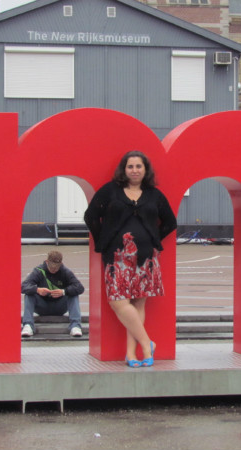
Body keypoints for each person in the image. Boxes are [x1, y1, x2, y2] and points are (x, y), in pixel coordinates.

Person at [84, 150, 177, 368]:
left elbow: (170, 222)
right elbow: (91, 216)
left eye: (138, 166)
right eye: (130, 166)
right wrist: (104, 240)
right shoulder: (110, 191)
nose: (134, 170)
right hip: (116, 257)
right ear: (124, 170)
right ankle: (147, 344)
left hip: (146, 258)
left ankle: (131, 354)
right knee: (118, 302)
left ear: (145, 170)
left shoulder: (154, 195)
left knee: (138, 303)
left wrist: (153, 239)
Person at [21, 250, 85, 338]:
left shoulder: (65, 272)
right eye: (51, 267)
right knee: (29, 294)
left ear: (61, 264)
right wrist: (37, 290)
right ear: (47, 262)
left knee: (73, 293)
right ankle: (28, 325)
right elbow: (23, 286)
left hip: (60, 307)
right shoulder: (39, 271)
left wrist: (64, 291)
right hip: (42, 306)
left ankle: (75, 326)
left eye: (56, 268)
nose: (53, 270)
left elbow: (80, 287)